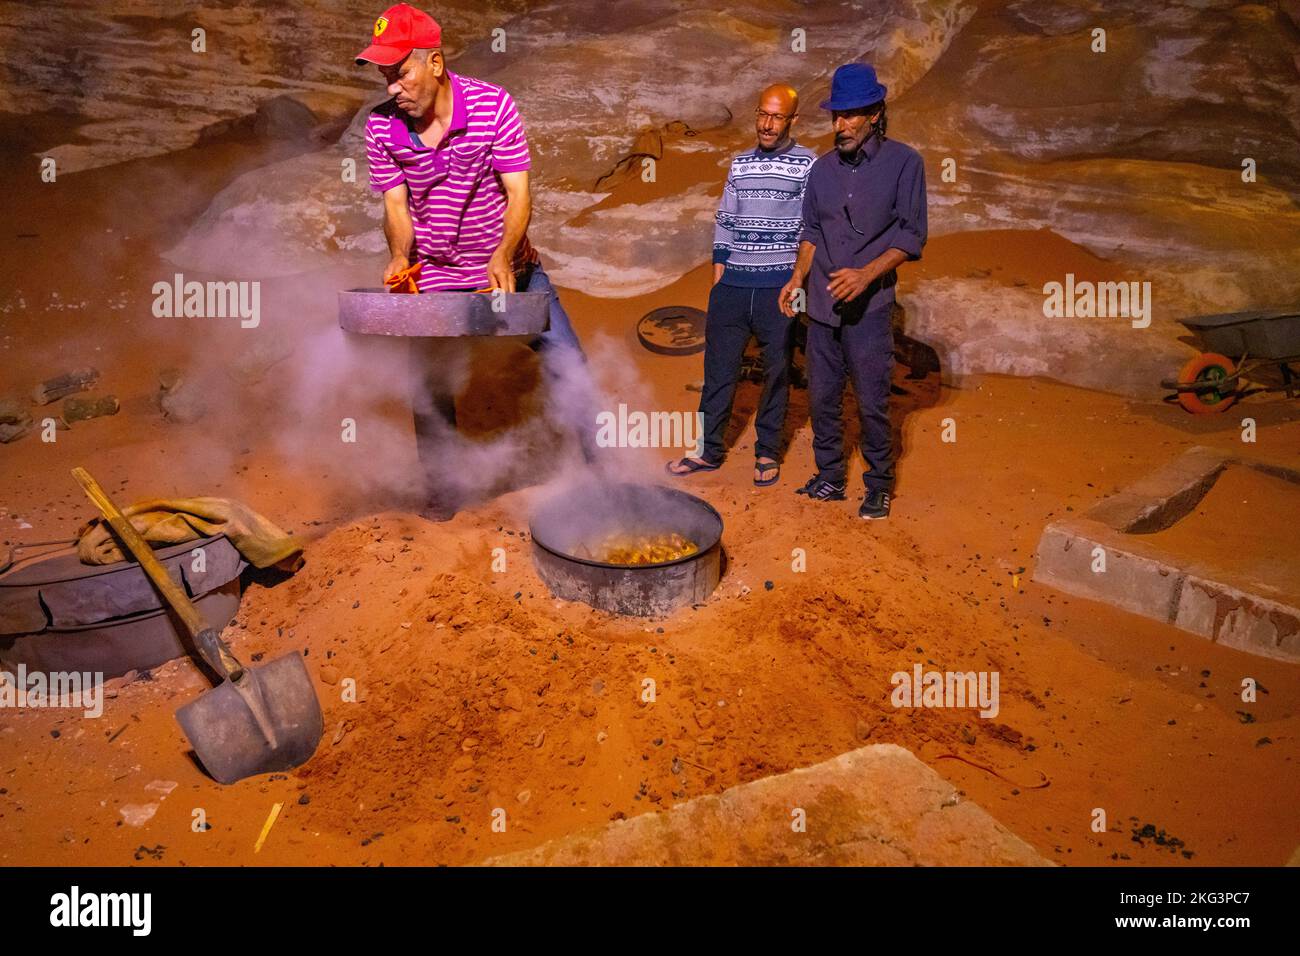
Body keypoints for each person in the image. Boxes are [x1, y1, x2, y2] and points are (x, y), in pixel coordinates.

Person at [356, 3, 592, 521]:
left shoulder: (493, 106)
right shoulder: (380, 127)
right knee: (429, 388)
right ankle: (443, 495)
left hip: (512, 272)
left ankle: (601, 476)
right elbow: (395, 207)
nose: (392, 87)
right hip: (437, 282)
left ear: (435, 63)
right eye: (384, 76)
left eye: (401, 73)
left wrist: (502, 253)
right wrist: (399, 254)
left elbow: (519, 193)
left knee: (570, 365)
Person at [779, 63, 927, 520]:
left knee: (871, 399)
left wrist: (866, 274)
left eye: (849, 116)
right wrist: (796, 277)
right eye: (835, 116)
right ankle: (829, 476)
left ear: (876, 114)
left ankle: (879, 483)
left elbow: (911, 235)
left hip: (870, 309)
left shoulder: (905, 163)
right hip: (822, 307)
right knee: (822, 396)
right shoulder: (821, 170)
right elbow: (811, 230)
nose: (839, 125)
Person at [666, 84, 816, 487]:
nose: (767, 125)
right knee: (718, 372)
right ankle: (707, 450)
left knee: (777, 372)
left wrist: (795, 281)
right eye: (762, 115)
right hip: (732, 285)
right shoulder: (740, 164)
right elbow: (725, 220)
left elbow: (810, 229)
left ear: (792, 121)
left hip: (777, 288)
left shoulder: (808, 165)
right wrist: (719, 272)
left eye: (776, 117)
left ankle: (767, 451)